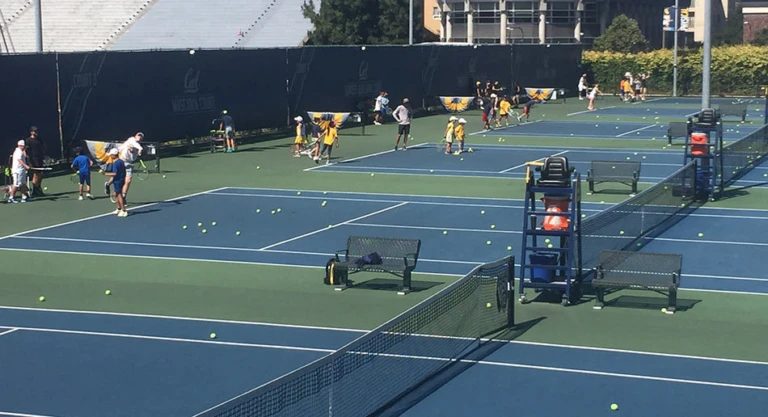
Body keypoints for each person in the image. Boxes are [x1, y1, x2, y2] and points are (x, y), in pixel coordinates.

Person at [105, 132, 143, 204]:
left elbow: (135, 152)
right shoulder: (131, 139)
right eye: (138, 136)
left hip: (130, 164)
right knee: (117, 176)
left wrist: (136, 151)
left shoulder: (137, 146)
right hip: (122, 162)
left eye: (141, 137)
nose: (139, 137)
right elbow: (137, 146)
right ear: (135, 136)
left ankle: (123, 196)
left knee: (128, 181)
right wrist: (140, 149)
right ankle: (107, 184)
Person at [104, 148, 128, 217]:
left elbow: (114, 174)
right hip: (121, 180)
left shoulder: (115, 163)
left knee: (119, 195)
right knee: (115, 194)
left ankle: (124, 210)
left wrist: (105, 174)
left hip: (118, 181)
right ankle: (119, 208)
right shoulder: (121, 161)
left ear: (114, 155)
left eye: (111, 155)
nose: (110, 156)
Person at [25, 126, 45, 196]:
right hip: (33, 160)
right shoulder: (28, 140)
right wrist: (28, 159)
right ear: (31, 132)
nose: (36, 132)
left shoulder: (39, 139)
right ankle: (35, 190)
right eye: (34, 131)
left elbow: (42, 148)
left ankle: (38, 188)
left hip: (40, 159)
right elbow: (25, 151)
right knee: (36, 174)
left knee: (40, 174)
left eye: (36, 131)